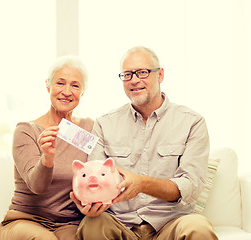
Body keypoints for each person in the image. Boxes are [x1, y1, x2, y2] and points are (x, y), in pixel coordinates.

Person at [70, 46, 218, 240]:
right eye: (127, 75)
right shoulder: (104, 123)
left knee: (199, 227)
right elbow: (93, 178)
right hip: (120, 223)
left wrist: (142, 184)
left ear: (160, 75)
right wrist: (89, 203)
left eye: (142, 72)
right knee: (92, 224)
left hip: (170, 223)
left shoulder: (192, 122)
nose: (134, 80)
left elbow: (190, 186)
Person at [0, 56, 93, 240]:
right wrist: (47, 158)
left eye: (75, 85)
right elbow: (37, 186)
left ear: (82, 92)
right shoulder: (26, 130)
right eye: (60, 83)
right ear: (48, 86)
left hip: (68, 223)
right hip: (25, 220)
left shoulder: (89, 129)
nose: (66, 91)